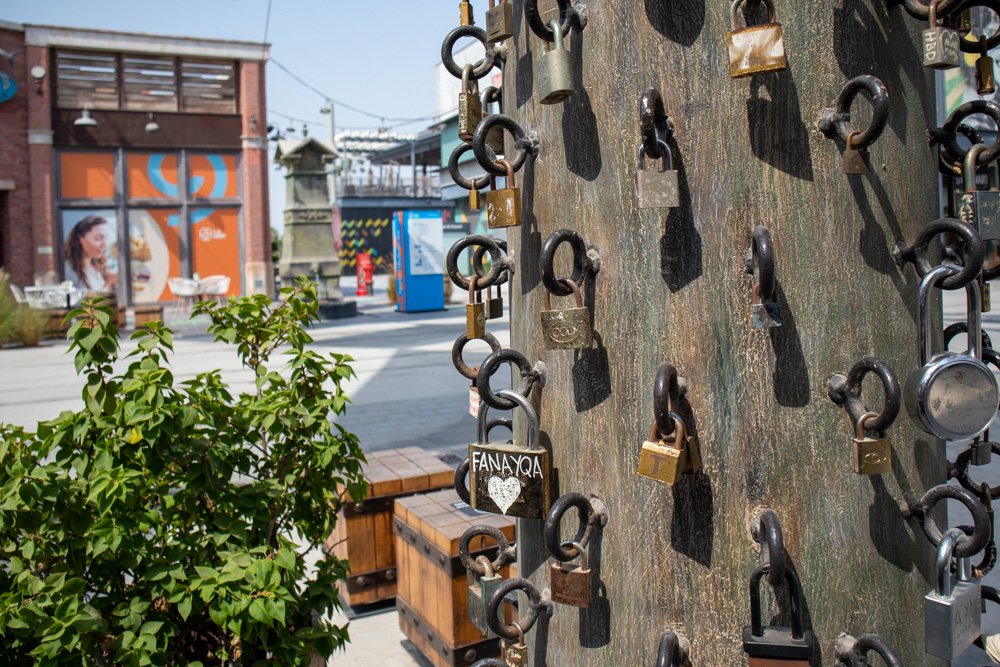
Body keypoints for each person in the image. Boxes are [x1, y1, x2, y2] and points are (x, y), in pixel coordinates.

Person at [64, 216, 117, 292]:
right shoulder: (68, 271)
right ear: (81, 239)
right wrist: (108, 285)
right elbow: (81, 300)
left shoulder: (97, 267)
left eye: (106, 238)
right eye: (98, 238)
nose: (104, 244)